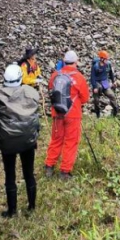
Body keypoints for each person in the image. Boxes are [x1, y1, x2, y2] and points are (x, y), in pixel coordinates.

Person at [0, 64, 40, 218]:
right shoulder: (30, 92)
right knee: (29, 173)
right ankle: (32, 206)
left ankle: (12, 211)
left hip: (7, 141)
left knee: (10, 175)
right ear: (20, 78)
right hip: (27, 140)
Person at [45, 50, 90, 179]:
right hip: (73, 114)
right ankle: (64, 172)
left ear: (64, 61)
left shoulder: (55, 75)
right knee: (71, 141)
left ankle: (49, 166)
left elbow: (50, 91)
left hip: (57, 112)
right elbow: (85, 98)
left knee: (56, 139)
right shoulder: (79, 77)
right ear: (76, 62)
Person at [90, 50, 119, 117]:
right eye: (105, 59)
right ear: (101, 58)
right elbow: (92, 77)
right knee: (96, 100)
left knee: (112, 96)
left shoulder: (108, 64)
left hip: (105, 82)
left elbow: (111, 73)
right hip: (97, 83)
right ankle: (98, 115)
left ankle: (115, 113)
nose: (107, 60)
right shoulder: (95, 66)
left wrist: (113, 81)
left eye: (107, 59)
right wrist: (94, 87)